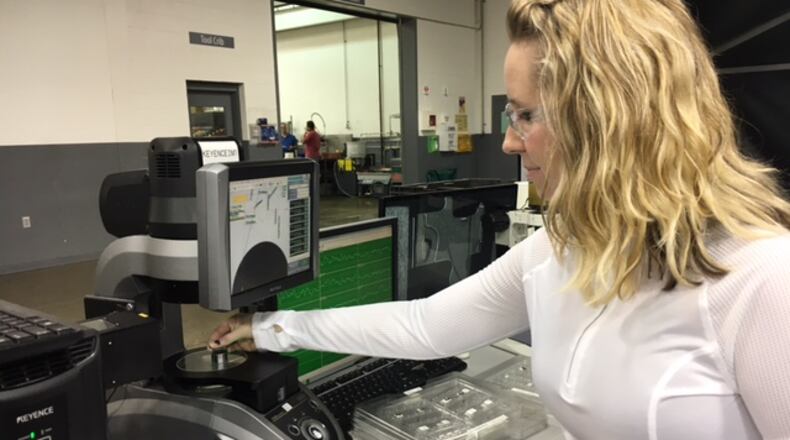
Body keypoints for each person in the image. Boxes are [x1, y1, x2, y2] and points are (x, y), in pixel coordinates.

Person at [209, 0, 790, 438]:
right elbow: (426, 326)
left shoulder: (760, 278)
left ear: (610, 121)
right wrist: (269, 330)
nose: (509, 142)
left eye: (526, 116)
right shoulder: (566, 250)